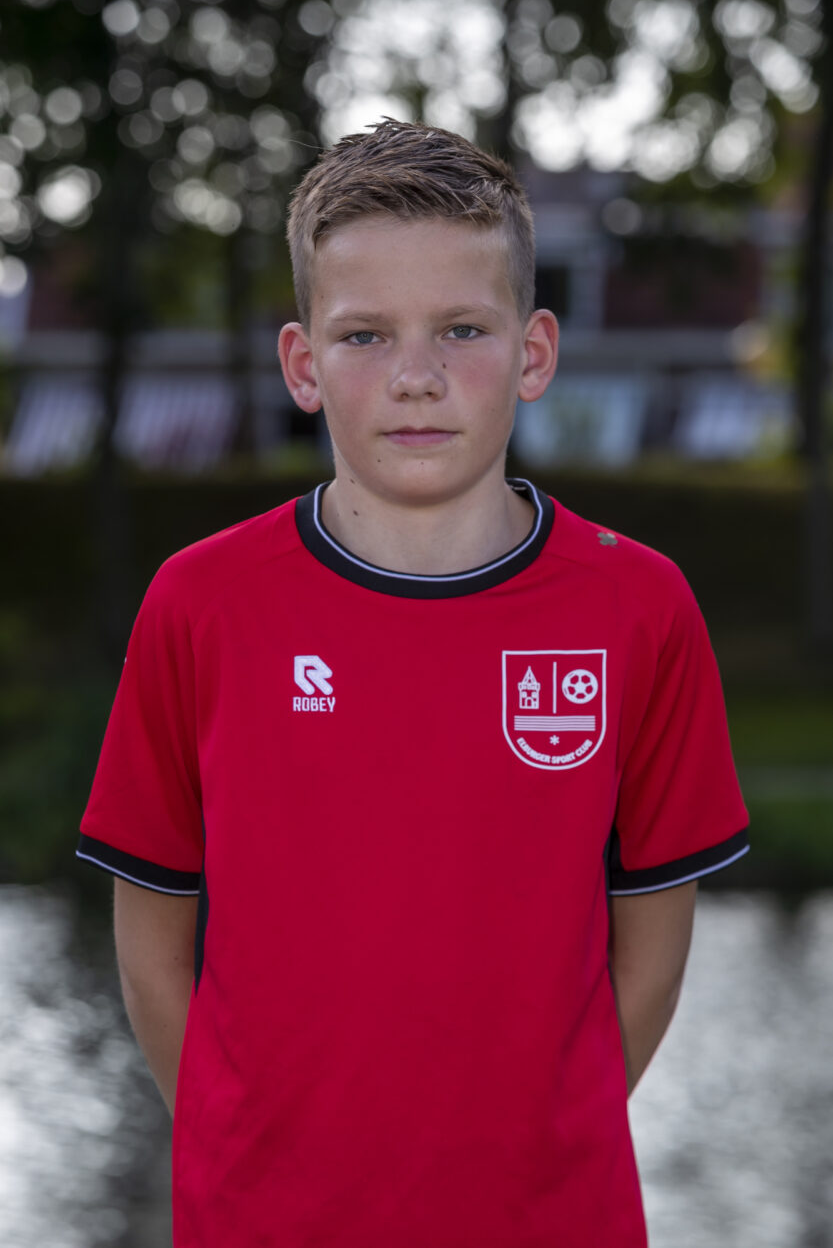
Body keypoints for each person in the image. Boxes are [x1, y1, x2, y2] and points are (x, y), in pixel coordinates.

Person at [77, 119, 749, 1248]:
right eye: (364, 335)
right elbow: (151, 944)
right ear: (302, 365)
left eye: (461, 330)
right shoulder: (202, 603)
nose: (416, 377)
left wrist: (529, 1148)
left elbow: (650, 955)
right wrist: (250, 1155)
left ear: (533, 352)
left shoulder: (638, 607)